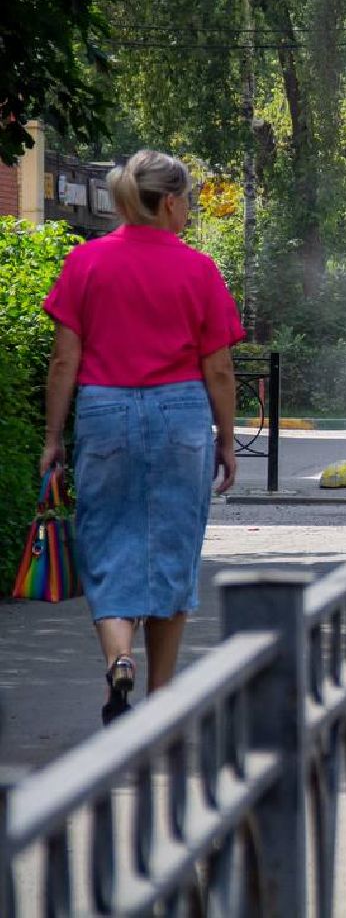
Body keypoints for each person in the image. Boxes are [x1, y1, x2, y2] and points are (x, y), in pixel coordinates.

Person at [39, 150, 244, 725]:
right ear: (171, 201)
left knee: (106, 546)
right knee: (172, 550)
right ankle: (161, 701)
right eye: (189, 202)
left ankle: (119, 659)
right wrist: (228, 439)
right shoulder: (198, 270)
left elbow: (63, 361)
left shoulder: (86, 263)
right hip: (179, 414)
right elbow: (220, 369)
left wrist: (54, 437)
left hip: (104, 411)